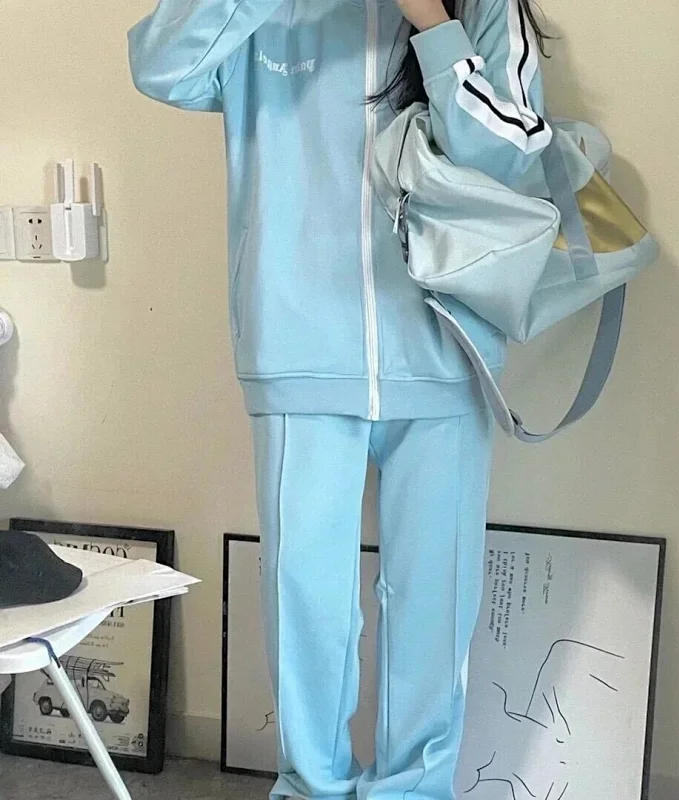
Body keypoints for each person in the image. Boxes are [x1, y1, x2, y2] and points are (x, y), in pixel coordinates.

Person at [128, 2, 552, 798]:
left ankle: (414, 792)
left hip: (444, 345)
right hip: (298, 346)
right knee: (306, 604)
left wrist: (432, 22)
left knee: (434, 608)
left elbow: (513, 153)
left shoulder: (488, 8)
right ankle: (310, 790)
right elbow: (161, 66)